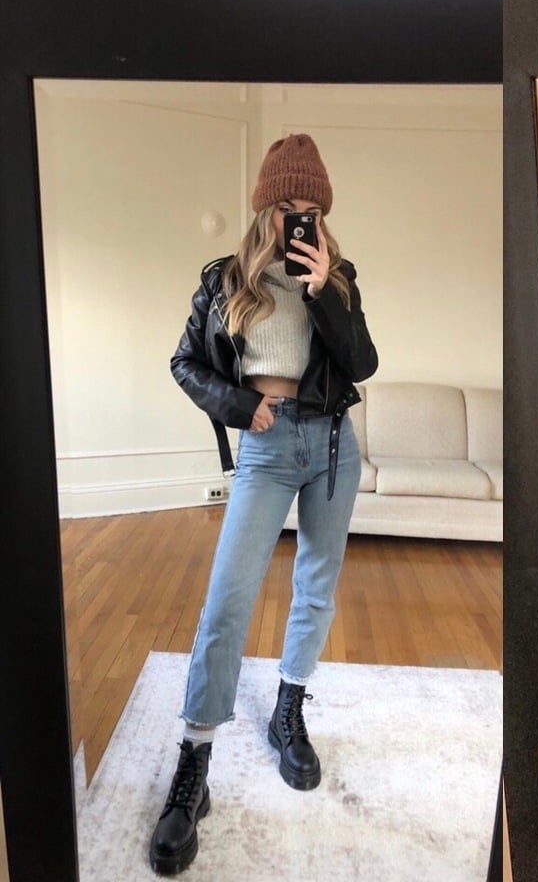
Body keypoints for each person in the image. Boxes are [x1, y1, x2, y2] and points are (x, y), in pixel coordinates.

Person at [149, 134, 378, 876]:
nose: (298, 220)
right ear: (264, 208)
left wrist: (323, 290)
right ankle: (195, 758)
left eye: (311, 208)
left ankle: (289, 710)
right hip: (266, 444)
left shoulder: (337, 277)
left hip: (333, 446)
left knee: (316, 587)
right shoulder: (223, 280)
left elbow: (362, 363)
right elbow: (185, 362)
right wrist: (240, 405)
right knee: (227, 599)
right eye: (287, 207)